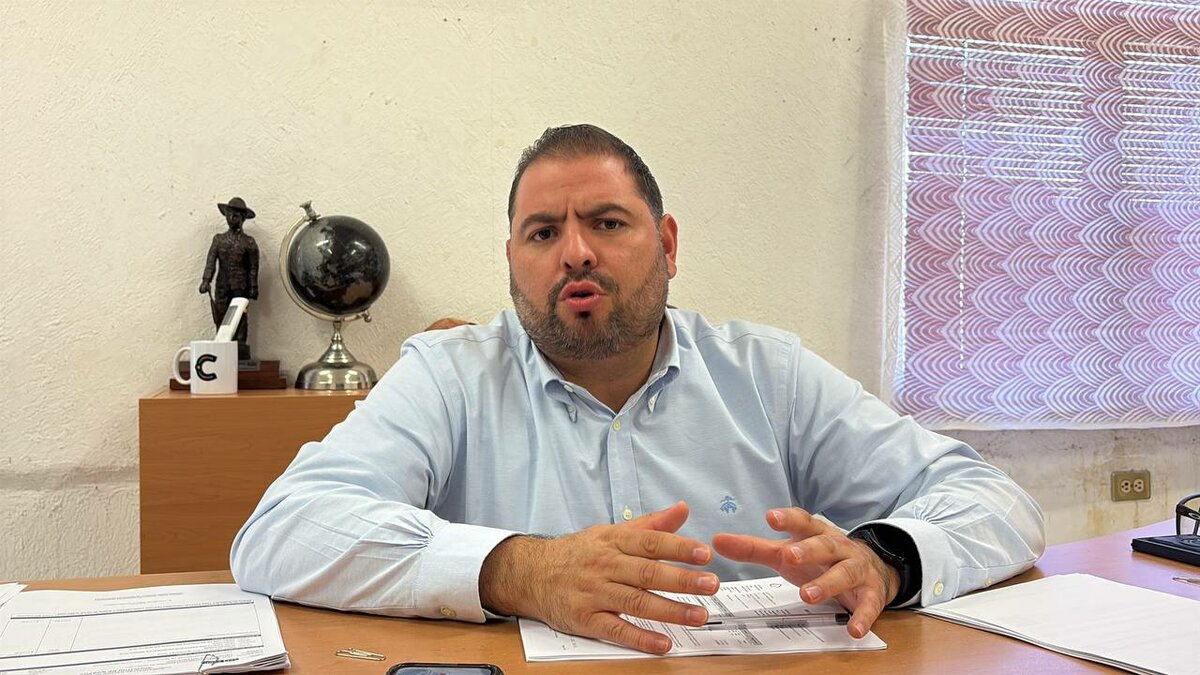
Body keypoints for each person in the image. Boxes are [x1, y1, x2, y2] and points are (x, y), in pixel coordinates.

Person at [231, 125, 1044, 655]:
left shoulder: (768, 372)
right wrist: (521, 569)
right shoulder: (449, 375)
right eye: (543, 232)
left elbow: (994, 499)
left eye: (608, 223)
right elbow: (283, 530)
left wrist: (888, 558)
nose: (576, 253)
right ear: (513, 261)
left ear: (668, 243)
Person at [200, 197, 259, 361]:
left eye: (236, 215)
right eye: (229, 214)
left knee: (240, 316)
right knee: (221, 313)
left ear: (243, 218)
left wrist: (253, 287)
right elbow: (211, 262)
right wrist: (206, 280)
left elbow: (253, 267)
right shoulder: (218, 240)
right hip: (222, 284)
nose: (232, 218)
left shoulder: (249, 242)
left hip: (240, 286)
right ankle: (222, 342)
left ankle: (240, 345)